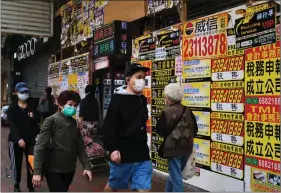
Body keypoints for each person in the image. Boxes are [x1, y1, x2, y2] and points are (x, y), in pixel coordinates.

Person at [102, 63, 152, 192]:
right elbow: (108, 126)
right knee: (113, 187)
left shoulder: (142, 99)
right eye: (138, 77)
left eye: (144, 78)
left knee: (143, 190)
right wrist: (112, 149)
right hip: (122, 155)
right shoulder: (118, 99)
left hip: (142, 154)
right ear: (128, 80)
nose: (142, 81)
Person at [32, 90, 92, 192]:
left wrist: (87, 166)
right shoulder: (51, 121)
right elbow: (40, 146)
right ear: (60, 105)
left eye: (75, 105)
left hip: (69, 169)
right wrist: (37, 172)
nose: (72, 108)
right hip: (53, 169)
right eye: (70, 104)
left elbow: (80, 147)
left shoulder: (74, 123)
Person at [155, 83, 198, 192]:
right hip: (187, 147)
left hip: (173, 149)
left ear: (169, 99)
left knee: (176, 176)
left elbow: (160, 130)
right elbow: (195, 129)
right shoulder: (188, 110)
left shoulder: (166, 112)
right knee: (175, 173)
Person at [7, 82, 40, 192]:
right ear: (17, 93)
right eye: (22, 92)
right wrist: (18, 139)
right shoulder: (12, 108)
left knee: (31, 163)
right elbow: (12, 125)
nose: (25, 94)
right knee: (16, 165)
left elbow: (38, 120)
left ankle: (31, 186)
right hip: (16, 141)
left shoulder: (32, 105)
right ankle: (16, 185)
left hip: (31, 141)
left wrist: (33, 117)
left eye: (26, 92)